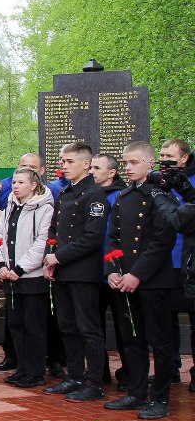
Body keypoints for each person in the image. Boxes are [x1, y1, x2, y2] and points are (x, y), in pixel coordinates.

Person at [102, 142, 177, 419]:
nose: (128, 167)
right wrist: (112, 269)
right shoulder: (123, 196)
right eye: (126, 163)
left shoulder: (161, 196)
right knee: (131, 337)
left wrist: (138, 274)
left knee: (160, 341)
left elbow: (162, 240)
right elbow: (113, 237)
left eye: (134, 162)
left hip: (152, 280)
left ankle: (160, 398)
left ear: (151, 162)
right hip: (124, 279)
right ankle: (135, 392)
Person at [43, 142, 111, 402]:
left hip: (82, 271)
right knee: (67, 326)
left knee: (88, 328)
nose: (64, 165)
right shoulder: (66, 193)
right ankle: (74, 376)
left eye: (69, 161)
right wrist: (51, 260)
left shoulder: (94, 195)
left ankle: (94, 382)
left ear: (86, 164)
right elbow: (55, 230)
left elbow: (92, 238)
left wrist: (57, 256)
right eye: (62, 161)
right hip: (61, 270)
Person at [0, 167, 54, 388]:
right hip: (9, 275)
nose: (15, 186)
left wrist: (20, 269)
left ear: (33, 185)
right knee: (16, 325)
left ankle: (35, 372)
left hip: (31, 277)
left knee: (33, 326)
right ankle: (22, 368)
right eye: (14, 182)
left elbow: (42, 242)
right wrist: (0, 264)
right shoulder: (9, 206)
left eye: (20, 183)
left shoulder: (44, 208)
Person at [159, 138, 195, 390]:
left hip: (188, 261)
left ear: (184, 158)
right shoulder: (160, 183)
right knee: (165, 318)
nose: (165, 161)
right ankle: (169, 367)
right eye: (161, 156)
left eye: (170, 156)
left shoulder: (190, 184)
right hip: (165, 260)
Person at [92, 152, 128, 387]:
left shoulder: (122, 196)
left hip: (117, 272)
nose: (92, 171)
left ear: (111, 172)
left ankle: (129, 372)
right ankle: (99, 371)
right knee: (94, 325)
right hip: (92, 271)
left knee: (124, 326)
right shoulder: (89, 195)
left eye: (97, 168)